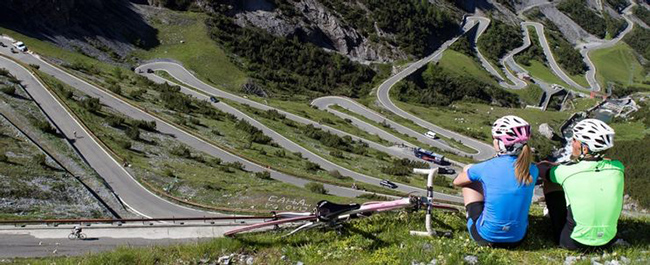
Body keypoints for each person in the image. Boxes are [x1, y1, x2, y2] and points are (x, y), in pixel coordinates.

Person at [453, 116, 539, 248]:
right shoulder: (533, 169)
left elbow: (457, 181)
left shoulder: (485, 167)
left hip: (485, 238)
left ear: (499, 143)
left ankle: (472, 217)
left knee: (468, 171)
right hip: (518, 238)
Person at [539, 119, 624, 250]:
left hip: (572, 243)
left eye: (574, 140)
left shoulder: (565, 171)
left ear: (584, 147)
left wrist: (554, 165)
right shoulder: (618, 168)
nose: (572, 143)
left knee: (551, 182)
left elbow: (542, 170)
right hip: (607, 241)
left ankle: (555, 222)